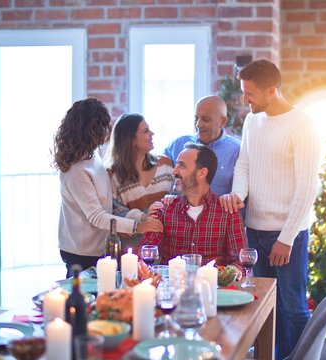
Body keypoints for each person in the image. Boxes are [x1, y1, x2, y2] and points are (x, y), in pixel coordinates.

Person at [219, 60, 321, 359]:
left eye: (249, 94)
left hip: (287, 234)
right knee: (264, 305)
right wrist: (238, 194)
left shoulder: (302, 125)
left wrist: (286, 238)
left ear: (272, 90)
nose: (244, 100)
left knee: (292, 308)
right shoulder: (253, 121)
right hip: (254, 230)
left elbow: (307, 187)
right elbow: (245, 164)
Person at [51, 98, 163, 277]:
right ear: (90, 130)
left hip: (98, 245)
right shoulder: (76, 170)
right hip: (81, 251)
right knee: (84, 299)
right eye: (103, 126)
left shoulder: (93, 154)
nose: (106, 131)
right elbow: (96, 216)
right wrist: (138, 227)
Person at [140, 143, 246, 275]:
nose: (174, 171)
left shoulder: (227, 211)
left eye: (182, 165)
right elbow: (146, 252)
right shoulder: (165, 209)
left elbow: (240, 260)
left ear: (202, 173)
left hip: (214, 290)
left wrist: (225, 275)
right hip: (172, 288)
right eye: (176, 164)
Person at [105, 113, 174, 250]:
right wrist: (143, 216)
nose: (152, 133)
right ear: (131, 139)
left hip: (166, 250)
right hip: (132, 253)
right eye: (146, 131)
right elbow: (116, 214)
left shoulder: (165, 164)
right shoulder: (113, 175)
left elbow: (177, 196)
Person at [164, 95, 240, 196]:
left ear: (222, 121)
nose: (198, 124)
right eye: (196, 118)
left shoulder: (237, 150)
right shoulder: (178, 144)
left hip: (219, 211)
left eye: (205, 119)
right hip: (180, 210)